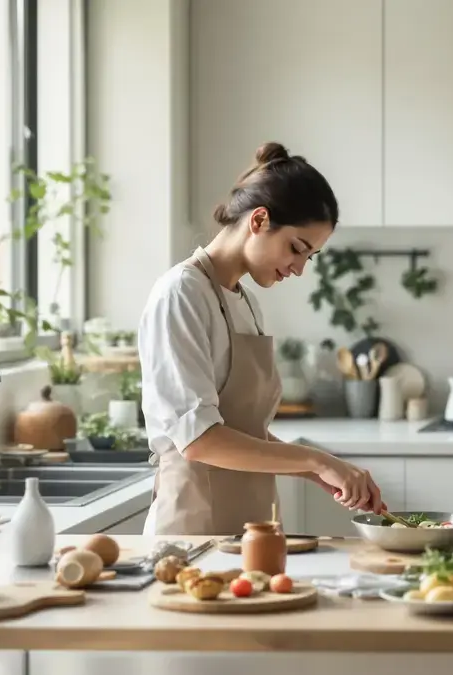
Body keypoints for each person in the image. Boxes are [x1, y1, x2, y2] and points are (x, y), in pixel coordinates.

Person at [139, 142, 384, 536]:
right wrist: (318, 461)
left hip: (254, 527)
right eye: (297, 248)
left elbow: (244, 430)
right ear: (258, 220)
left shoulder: (246, 302)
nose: (299, 268)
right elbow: (198, 439)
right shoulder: (181, 293)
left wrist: (318, 470)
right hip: (194, 531)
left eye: (309, 256)